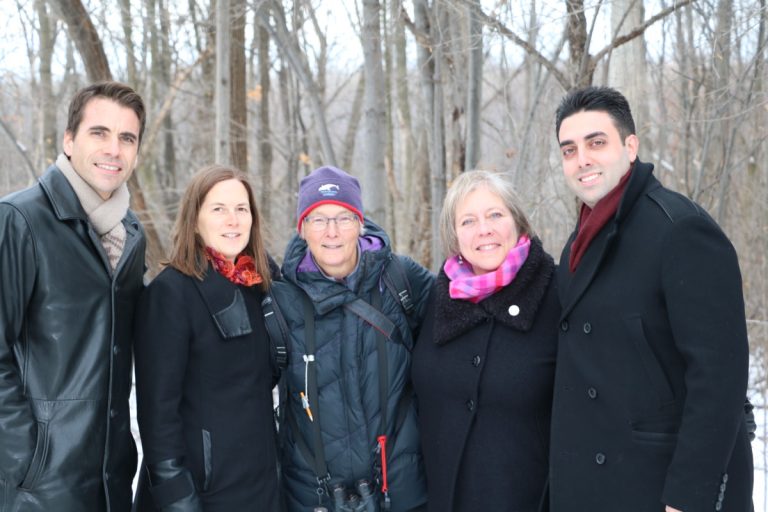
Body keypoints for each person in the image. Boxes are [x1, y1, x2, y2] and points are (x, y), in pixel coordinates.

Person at [549, 86, 753, 511]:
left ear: (630, 146)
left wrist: (688, 496)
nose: (582, 158)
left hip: (663, 486)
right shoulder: (578, 243)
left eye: (596, 142)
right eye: (569, 149)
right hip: (601, 484)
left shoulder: (680, 230)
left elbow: (719, 379)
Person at [0, 81, 146, 511]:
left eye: (126, 138)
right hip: (40, 487)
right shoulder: (20, 221)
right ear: (69, 139)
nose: (113, 149)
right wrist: (24, 460)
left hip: (111, 480)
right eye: (99, 133)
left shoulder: (132, 235)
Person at [269, 165, 433, 511]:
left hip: (400, 491)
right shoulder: (281, 300)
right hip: (312, 497)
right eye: (318, 219)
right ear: (302, 229)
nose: (332, 231)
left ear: (360, 223)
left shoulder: (400, 280)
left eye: (343, 218)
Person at [132, 165, 281, 511]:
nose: (233, 220)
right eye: (219, 209)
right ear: (194, 219)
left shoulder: (261, 288)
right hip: (201, 495)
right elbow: (157, 419)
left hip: (261, 490)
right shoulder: (170, 293)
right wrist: (179, 501)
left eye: (241, 209)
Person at [411, 170, 559, 512]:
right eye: (468, 221)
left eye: (495, 215)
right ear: (454, 236)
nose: (484, 229)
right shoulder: (436, 299)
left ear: (518, 222)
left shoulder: (558, 294)